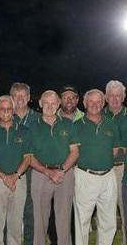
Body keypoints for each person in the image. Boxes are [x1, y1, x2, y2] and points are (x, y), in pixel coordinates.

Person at [28, 90, 79, 245]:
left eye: (53, 103)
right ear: (40, 104)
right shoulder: (32, 127)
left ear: (59, 104)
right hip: (40, 174)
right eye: (46, 103)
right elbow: (28, 157)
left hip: (65, 174)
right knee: (40, 220)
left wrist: (61, 170)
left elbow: (74, 152)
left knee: (64, 219)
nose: (50, 107)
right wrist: (47, 172)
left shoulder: (68, 124)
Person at [72, 89, 122, 245]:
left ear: (103, 103)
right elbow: (73, 152)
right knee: (82, 221)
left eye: (98, 101)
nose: (95, 105)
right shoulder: (77, 125)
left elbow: (114, 150)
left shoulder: (111, 124)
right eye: (91, 101)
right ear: (85, 103)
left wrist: (102, 162)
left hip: (108, 177)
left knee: (108, 221)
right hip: (85, 176)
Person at [0, 95, 31, 245]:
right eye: (2, 109)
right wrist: (5, 177)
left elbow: (28, 158)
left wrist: (15, 176)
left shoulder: (24, 131)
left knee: (15, 225)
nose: (6, 112)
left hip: (19, 181)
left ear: (14, 110)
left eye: (9, 108)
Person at [9, 82, 39, 244]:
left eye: (23, 95)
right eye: (16, 95)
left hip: (32, 172)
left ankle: (29, 241)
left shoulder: (37, 118)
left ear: (28, 97)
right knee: (10, 212)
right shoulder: (5, 115)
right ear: (11, 98)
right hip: (9, 171)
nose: (20, 99)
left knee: (30, 212)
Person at [103, 80, 127, 245]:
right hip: (101, 170)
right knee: (105, 214)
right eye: (111, 95)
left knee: (125, 212)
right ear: (105, 97)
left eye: (118, 95)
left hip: (122, 170)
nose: (115, 99)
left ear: (124, 97)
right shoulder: (98, 115)